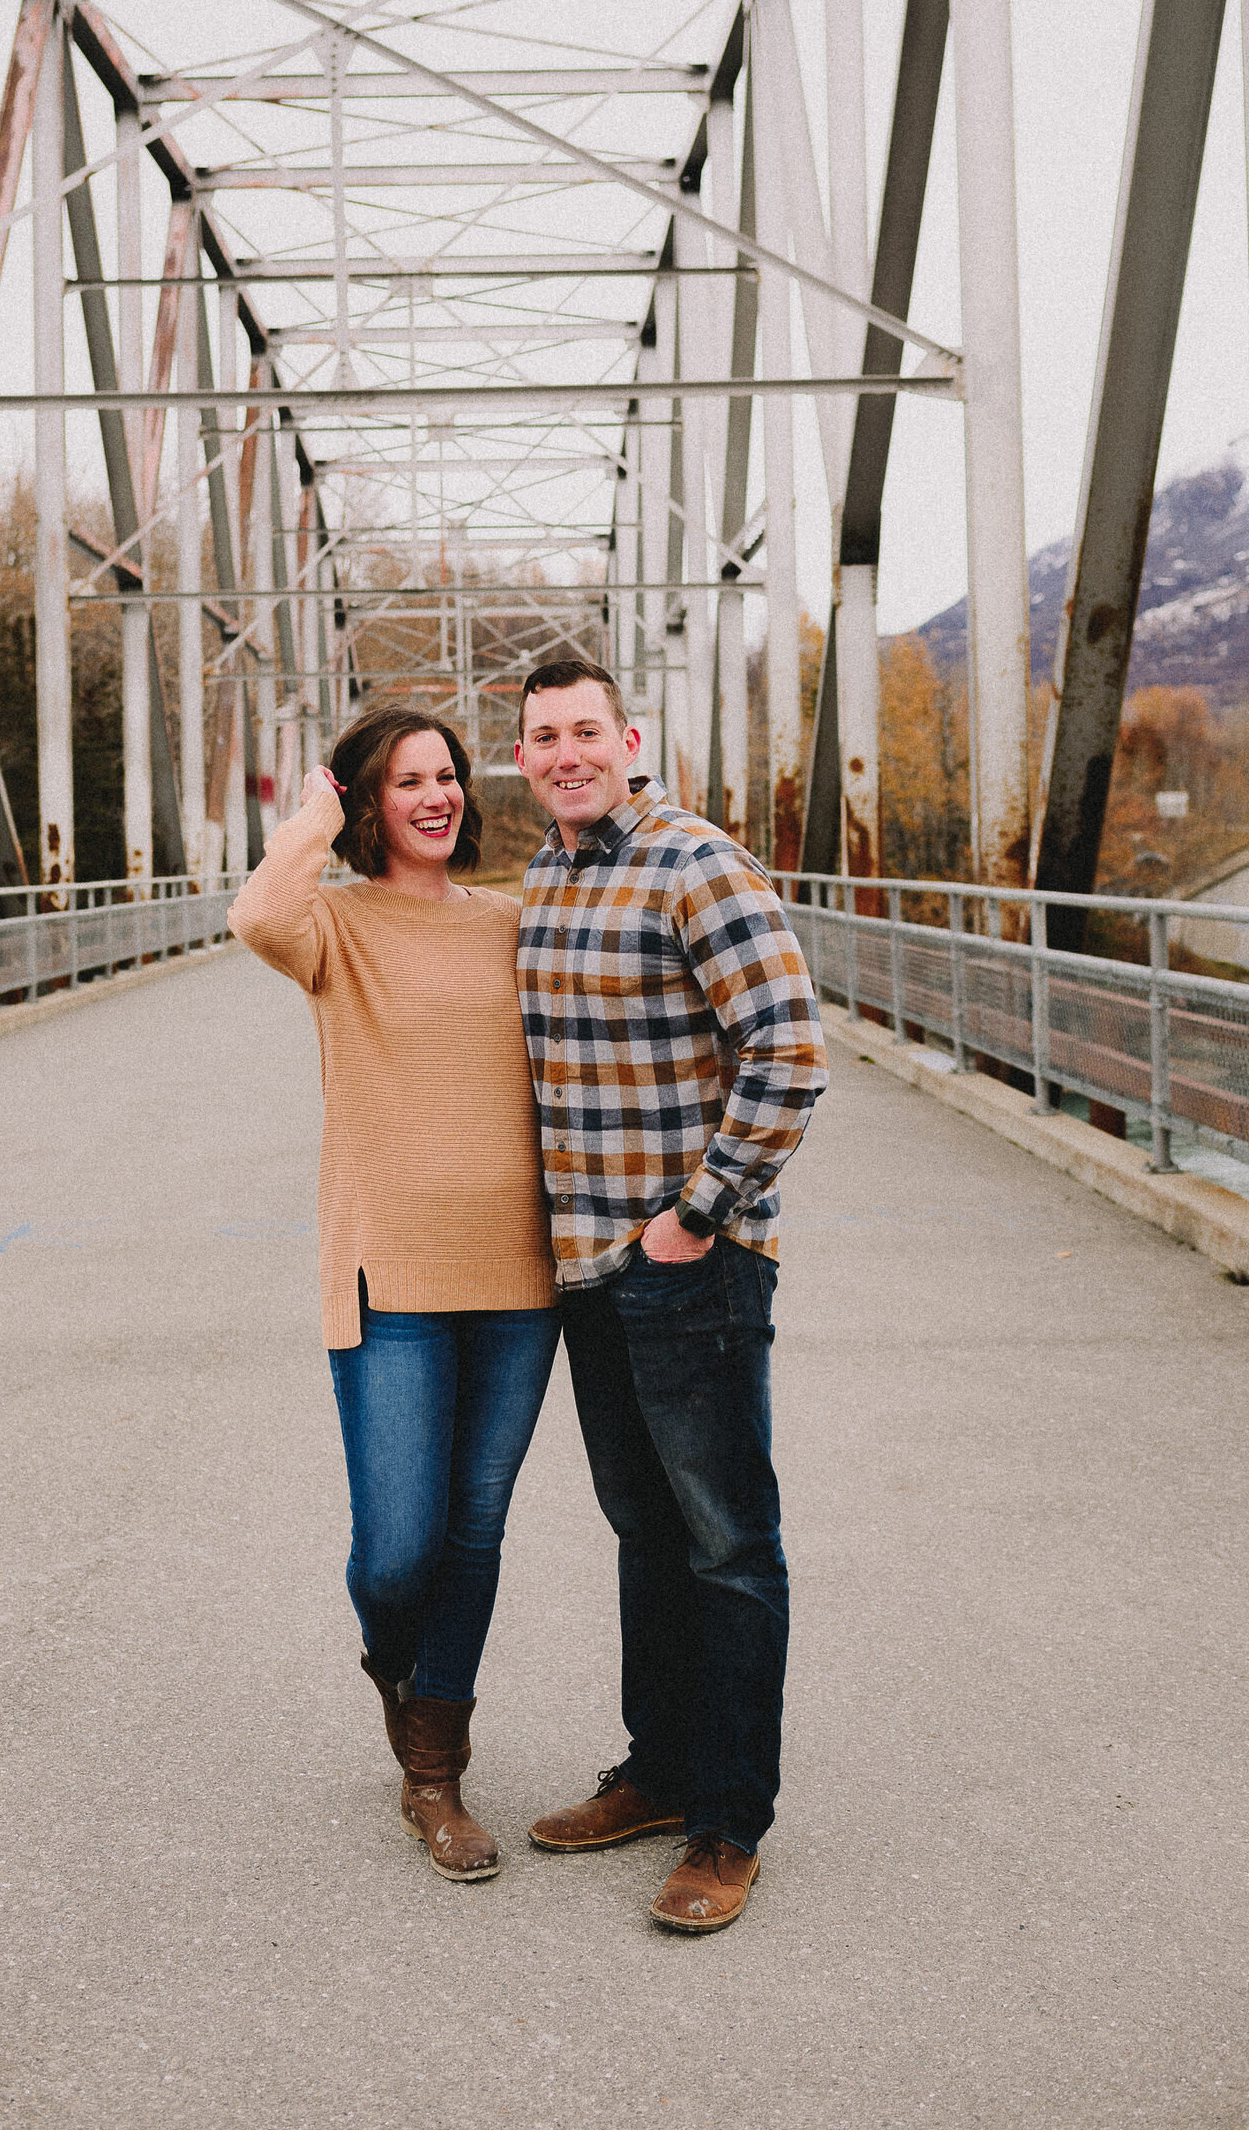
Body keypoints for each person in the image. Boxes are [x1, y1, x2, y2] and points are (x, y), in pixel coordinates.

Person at [512, 657, 828, 1936]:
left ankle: (727, 1822)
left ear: (629, 740)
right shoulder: (547, 870)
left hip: (686, 1267)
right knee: (645, 1531)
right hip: (584, 1270)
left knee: (725, 1542)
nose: (566, 752)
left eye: (586, 731)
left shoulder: (691, 860)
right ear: (522, 757)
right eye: (542, 737)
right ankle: (656, 1770)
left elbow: (790, 1048)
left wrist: (699, 1214)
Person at [227, 707, 559, 1883]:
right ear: (371, 802)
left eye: (450, 776)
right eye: (407, 779)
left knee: (474, 1530)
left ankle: (435, 1771)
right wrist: (316, 805)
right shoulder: (333, 928)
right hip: (389, 1276)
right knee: (397, 1551)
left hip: (520, 1275)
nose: (437, 795)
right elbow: (256, 911)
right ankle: (394, 1664)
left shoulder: (513, 925)